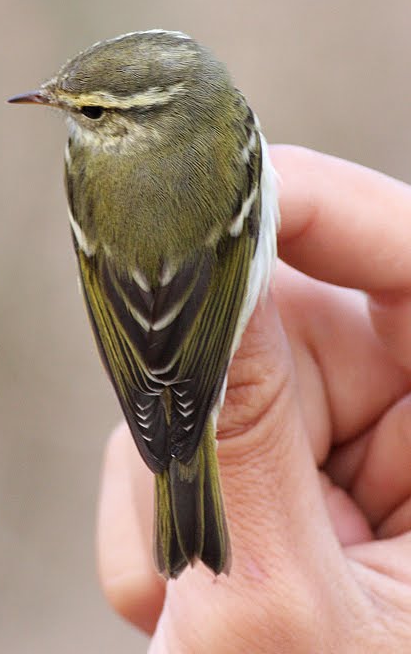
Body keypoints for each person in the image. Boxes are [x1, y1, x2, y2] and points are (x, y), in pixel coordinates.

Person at [97, 145, 411, 652]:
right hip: (177, 323)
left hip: (160, 326)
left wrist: (175, 372)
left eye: (91, 112)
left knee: (204, 423)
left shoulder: (218, 133)